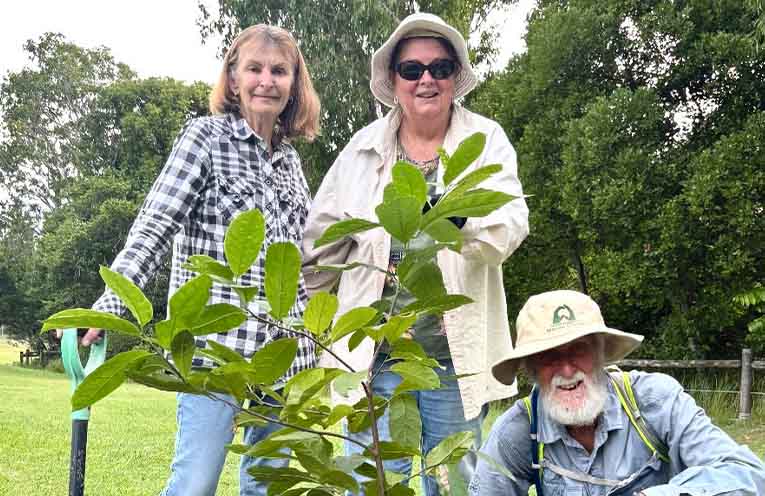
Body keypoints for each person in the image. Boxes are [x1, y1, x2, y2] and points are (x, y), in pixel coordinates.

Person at [85, 24, 321, 496]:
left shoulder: (291, 163)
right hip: (216, 351)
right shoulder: (205, 138)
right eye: (254, 69)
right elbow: (156, 225)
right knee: (194, 485)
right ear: (233, 79)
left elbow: (306, 261)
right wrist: (110, 305)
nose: (266, 81)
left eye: (279, 71)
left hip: (283, 359)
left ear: (294, 85)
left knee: (269, 488)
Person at [302, 12, 529, 496]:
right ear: (394, 79)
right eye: (412, 70)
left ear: (454, 77)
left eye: (440, 68)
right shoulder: (360, 151)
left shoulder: (486, 142)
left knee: (456, 481)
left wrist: (457, 219)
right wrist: (317, 324)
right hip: (375, 355)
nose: (426, 79)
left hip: (453, 357)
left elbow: (511, 226)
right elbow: (320, 245)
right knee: (376, 481)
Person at [471, 289, 765, 496]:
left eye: (579, 350)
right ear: (532, 369)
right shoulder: (519, 430)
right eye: (549, 357)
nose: (567, 369)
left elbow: (748, 473)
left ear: (601, 353)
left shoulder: (655, 400)